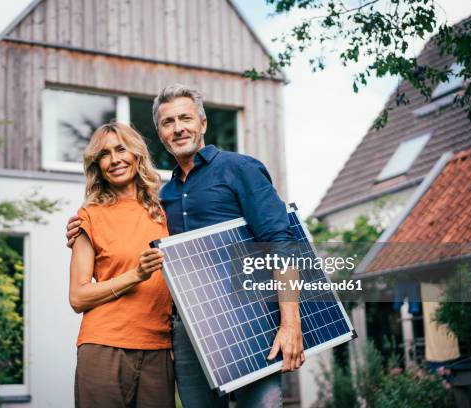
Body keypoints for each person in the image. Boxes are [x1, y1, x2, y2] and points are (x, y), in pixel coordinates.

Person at [67, 85, 304, 408]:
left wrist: (291, 323)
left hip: (250, 321)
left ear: (203, 124)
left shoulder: (239, 169)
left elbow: (281, 241)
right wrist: (82, 231)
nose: (178, 128)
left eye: (185, 118)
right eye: (168, 122)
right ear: (160, 134)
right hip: (189, 333)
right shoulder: (163, 199)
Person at [69, 122, 174, 408]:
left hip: (159, 349)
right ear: (97, 165)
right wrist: (135, 276)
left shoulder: (165, 212)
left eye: (121, 149)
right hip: (104, 347)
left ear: (137, 155)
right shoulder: (88, 216)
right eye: (104, 154)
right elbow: (77, 298)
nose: (115, 160)